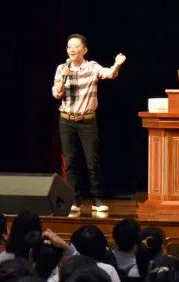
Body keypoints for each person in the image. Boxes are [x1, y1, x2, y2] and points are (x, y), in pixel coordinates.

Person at [51, 33, 126, 214]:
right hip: (67, 120)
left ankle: (97, 199)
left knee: (92, 161)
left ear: (84, 50)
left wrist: (116, 64)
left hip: (87, 121)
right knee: (70, 162)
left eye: (75, 46)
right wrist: (62, 79)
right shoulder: (62, 68)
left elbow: (108, 74)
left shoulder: (92, 67)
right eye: (69, 46)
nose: (71, 49)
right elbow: (56, 94)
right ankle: (74, 199)